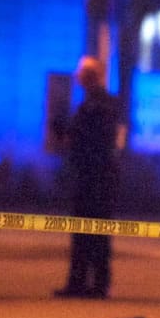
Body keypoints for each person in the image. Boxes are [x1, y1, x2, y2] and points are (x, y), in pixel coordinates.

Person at [53, 55, 123, 299]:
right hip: (89, 178)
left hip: (96, 180)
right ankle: (80, 282)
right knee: (83, 232)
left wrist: (71, 136)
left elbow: (92, 141)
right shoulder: (91, 104)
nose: (78, 78)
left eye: (82, 73)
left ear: (90, 76)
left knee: (96, 233)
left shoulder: (100, 105)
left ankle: (96, 284)